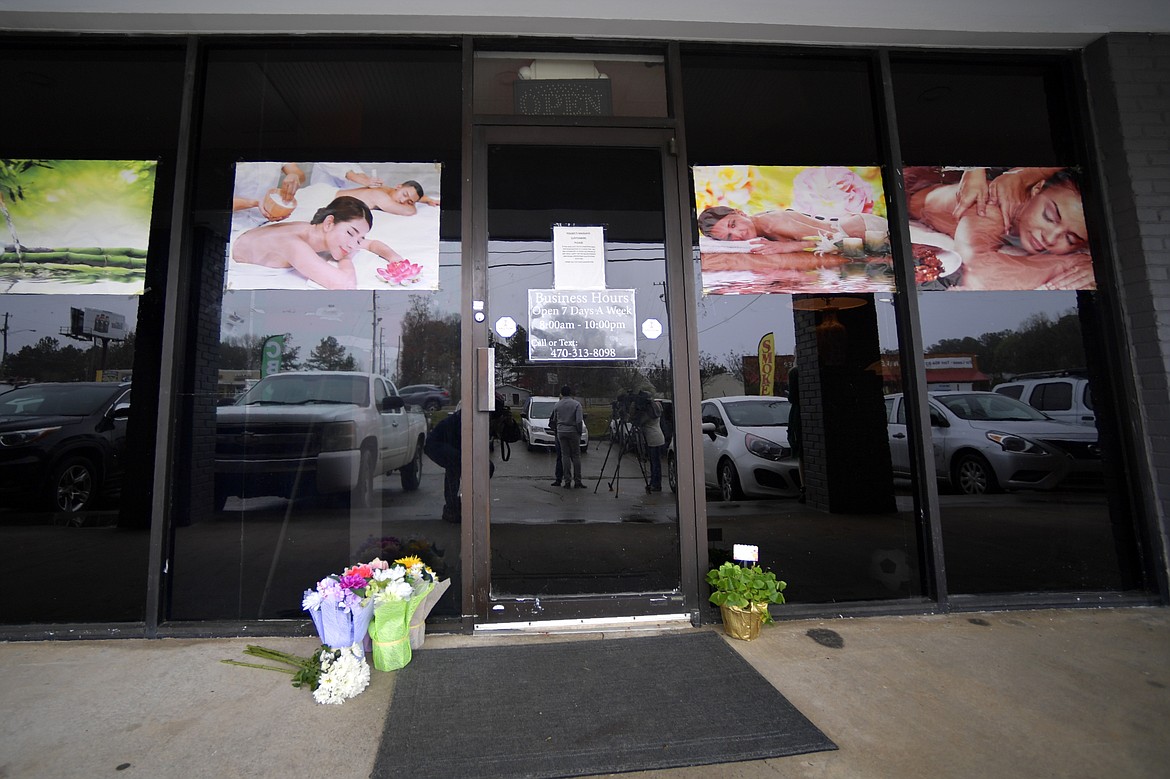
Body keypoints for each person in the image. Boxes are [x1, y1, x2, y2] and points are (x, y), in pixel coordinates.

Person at [906, 166, 1093, 290]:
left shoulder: (1026, 222)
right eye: (1049, 216)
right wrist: (1071, 263)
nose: (1051, 238)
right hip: (908, 190)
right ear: (1036, 189)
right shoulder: (991, 205)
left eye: (1070, 239)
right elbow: (981, 275)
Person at [230, 195, 411, 290]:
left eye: (359, 239)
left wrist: (395, 259)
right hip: (236, 246)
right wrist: (345, 259)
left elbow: (372, 244)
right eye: (350, 233)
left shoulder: (317, 232)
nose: (353, 244)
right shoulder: (294, 244)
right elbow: (343, 285)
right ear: (329, 223)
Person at [232, 162, 307, 224]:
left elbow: (298, 173)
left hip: (267, 221)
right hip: (233, 222)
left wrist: (294, 176)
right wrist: (254, 203)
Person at [337, 180, 440, 216]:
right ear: (398, 186)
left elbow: (410, 196)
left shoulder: (388, 190)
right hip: (327, 197)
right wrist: (411, 205)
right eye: (404, 195)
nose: (403, 201)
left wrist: (428, 200)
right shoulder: (379, 196)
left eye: (409, 202)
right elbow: (409, 212)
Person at [550, 385, 586, 489]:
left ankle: (567, 481)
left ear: (561, 393)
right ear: (570, 393)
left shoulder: (557, 405)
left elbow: (554, 419)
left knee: (564, 456)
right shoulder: (576, 404)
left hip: (561, 431)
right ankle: (578, 480)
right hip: (573, 430)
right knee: (576, 456)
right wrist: (579, 431)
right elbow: (579, 420)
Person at [635, 390, 665, 492]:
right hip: (659, 437)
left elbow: (639, 422)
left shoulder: (648, 414)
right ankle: (657, 483)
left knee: (654, 463)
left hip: (653, 439)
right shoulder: (656, 409)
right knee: (656, 463)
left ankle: (654, 484)